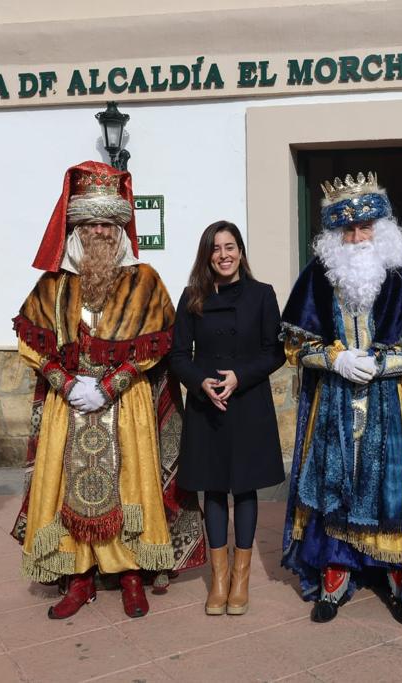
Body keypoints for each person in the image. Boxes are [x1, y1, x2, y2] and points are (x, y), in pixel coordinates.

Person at [11, 160, 204, 620]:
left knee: (131, 483)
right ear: (77, 227)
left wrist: (111, 385)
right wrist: (68, 381)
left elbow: (160, 342)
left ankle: (130, 573)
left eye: (108, 223)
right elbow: (29, 341)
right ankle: (78, 577)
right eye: (92, 222)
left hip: (127, 402)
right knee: (65, 489)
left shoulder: (145, 280)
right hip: (70, 403)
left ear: (120, 228)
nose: (100, 232)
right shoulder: (55, 284)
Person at [280, 172, 402, 639]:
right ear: (333, 235)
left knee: (387, 488)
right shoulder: (317, 276)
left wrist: (381, 364)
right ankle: (335, 570)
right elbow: (295, 344)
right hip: (333, 401)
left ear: (383, 227)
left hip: (390, 406)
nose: (357, 238)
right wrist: (335, 359)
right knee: (334, 481)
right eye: (347, 231)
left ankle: (395, 571)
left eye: (365, 228)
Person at [168, 221, 285, 616]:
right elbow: (179, 355)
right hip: (208, 405)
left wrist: (240, 376)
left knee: (245, 488)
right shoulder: (191, 298)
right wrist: (201, 383)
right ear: (207, 255)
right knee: (213, 489)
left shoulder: (262, 295)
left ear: (240, 251)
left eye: (230, 246)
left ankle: (241, 577)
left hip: (248, 401)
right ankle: (218, 580)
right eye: (216, 248)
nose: (223, 254)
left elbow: (275, 352)